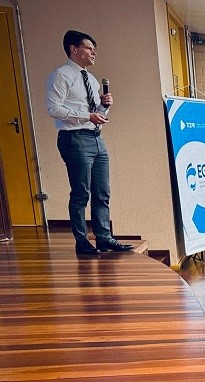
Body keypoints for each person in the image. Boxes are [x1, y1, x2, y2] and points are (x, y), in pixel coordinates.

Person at [46, 30, 133, 256]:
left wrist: (105, 106)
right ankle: (82, 241)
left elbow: (97, 113)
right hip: (74, 139)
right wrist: (87, 116)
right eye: (88, 48)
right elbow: (53, 109)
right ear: (74, 49)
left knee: (102, 192)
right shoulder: (61, 75)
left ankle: (104, 238)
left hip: (96, 139)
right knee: (81, 194)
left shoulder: (92, 79)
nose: (93, 52)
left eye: (94, 49)